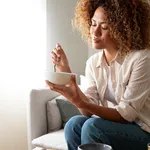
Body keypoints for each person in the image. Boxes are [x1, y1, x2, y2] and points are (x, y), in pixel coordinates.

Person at [45, 0, 150, 149]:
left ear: (121, 30)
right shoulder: (93, 63)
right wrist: (65, 71)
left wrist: (81, 102)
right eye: (93, 24)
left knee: (92, 127)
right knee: (73, 125)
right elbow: (87, 111)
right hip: (116, 127)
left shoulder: (141, 59)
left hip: (143, 132)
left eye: (104, 27)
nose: (95, 32)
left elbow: (126, 115)